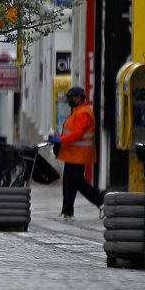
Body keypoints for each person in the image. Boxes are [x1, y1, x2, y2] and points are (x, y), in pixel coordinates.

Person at [48, 86, 104, 221]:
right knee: (69, 182)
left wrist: (60, 139)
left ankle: (101, 202)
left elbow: (78, 134)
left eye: (72, 98)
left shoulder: (83, 113)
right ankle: (67, 212)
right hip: (72, 154)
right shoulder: (77, 111)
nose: (70, 101)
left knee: (77, 183)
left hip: (79, 155)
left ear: (78, 98)